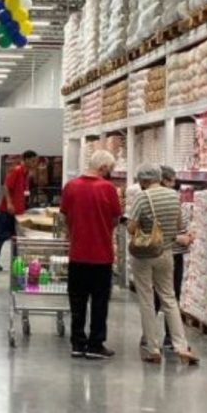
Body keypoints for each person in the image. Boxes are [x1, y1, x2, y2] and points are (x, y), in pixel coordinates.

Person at [127, 164, 199, 365]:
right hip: (166, 253)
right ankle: (181, 345)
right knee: (169, 298)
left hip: (144, 255)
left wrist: (137, 225)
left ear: (142, 181)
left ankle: (153, 347)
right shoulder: (173, 197)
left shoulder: (142, 197)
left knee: (147, 299)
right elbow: (177, 226)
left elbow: (132, 228)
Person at [60, 150, 122, 360]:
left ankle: (77, 343)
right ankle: (96, 344)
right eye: (110, 170)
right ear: (103, 168)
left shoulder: (71, 187)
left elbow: (65, 216)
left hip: (77, 254)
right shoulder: (108, 189)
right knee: (99, 302)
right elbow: (115, 219)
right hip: (102, 256)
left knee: (76, 301)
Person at [155, 165, 193, 351]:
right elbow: (162, 230)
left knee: (156, 296)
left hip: (157, 254)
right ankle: (171, 339)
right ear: (166, 180)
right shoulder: (169, 199)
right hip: (170, 253)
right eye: (173, 180)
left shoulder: (149, 197)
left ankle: (150, 337)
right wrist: (182, 238)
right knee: (170, 296)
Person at [0, 150, 38, 271]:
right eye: (33, 160)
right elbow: (6, 186)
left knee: (16, 237)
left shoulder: (26, 173)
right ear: (26, 160)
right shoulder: (17, 170)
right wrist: (10, 204)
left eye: (35, 161)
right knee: (1, 236)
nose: (34, 163)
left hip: (18, 211)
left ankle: (16, 261)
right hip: (8, 211)